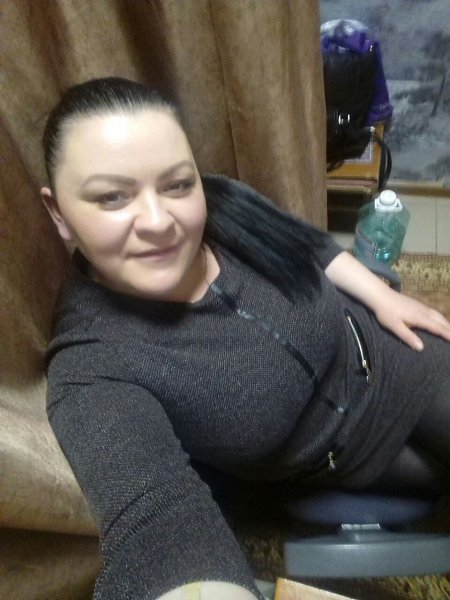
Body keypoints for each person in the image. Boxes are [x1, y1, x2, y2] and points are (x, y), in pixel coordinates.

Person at [41, 77, 450, 600]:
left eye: (177, 185)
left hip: (397, 358)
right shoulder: (93, 363)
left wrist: (382, 296)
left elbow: (309, 247)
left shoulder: (220, 200)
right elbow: (156, 523)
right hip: (342, 458)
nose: (159, 221)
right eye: (112, 196)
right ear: (59, 213)